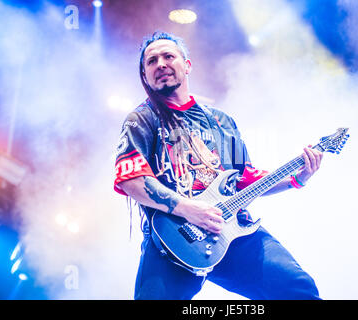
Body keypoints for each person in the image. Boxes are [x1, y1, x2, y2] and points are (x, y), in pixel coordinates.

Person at [114, 31, 324, 300]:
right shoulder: (141, 119)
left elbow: (246, 179)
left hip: (233, 232)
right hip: (173, 238)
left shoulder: (221, 122)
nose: (161, 64)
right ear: (145, 75)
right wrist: (189, 209)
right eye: (151, 61)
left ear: (187, 65)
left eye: (168, 56)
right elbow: (131, 179)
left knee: (297, 287)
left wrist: (296, 179)